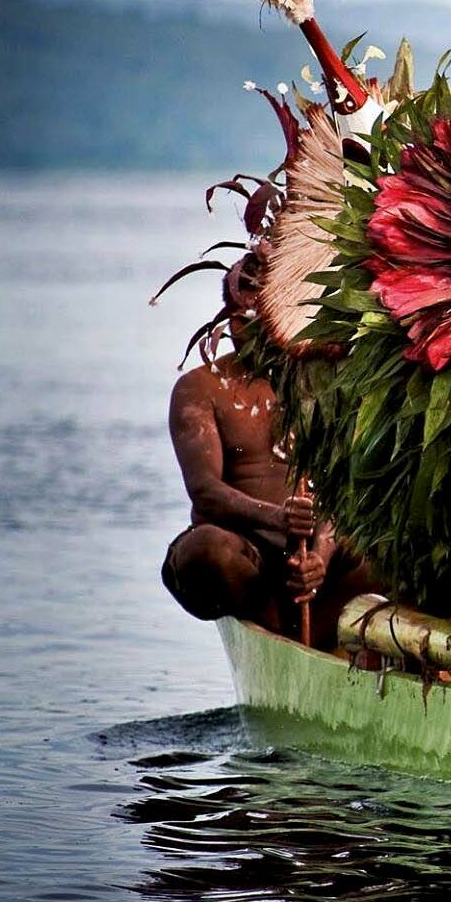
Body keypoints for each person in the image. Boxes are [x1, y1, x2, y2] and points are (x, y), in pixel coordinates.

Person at [162, 254, 378, 649]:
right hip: (252, 561)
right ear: (226, 319)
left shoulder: (330, 381)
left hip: (327, 558)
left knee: (397, 550)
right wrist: (277, 518)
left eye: (259, 318)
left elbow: (351, 483)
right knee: (205, 552)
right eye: (239, 318)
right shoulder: (202, 388)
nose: (246, 330)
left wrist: (320, 556)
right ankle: (271, 627)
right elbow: (205, 490)